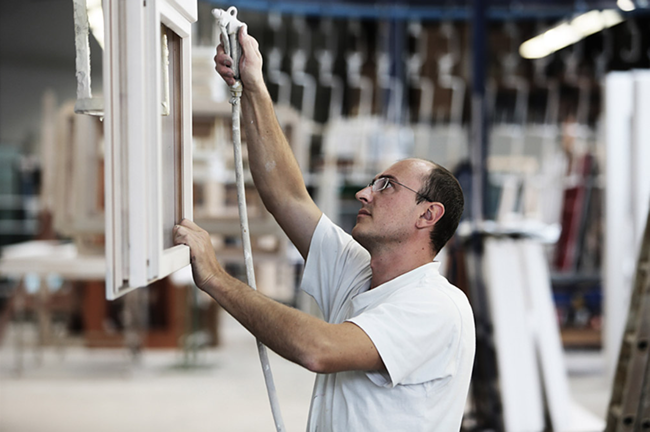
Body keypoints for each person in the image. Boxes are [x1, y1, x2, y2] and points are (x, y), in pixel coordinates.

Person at [174, 25, 475, 432]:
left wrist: (215, 278)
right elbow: (288, 196)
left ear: (428, 216)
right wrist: (254, 87)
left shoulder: (438, 307)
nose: (364, 193)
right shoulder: (358, 273)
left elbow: (318, 348)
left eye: (386, 186)